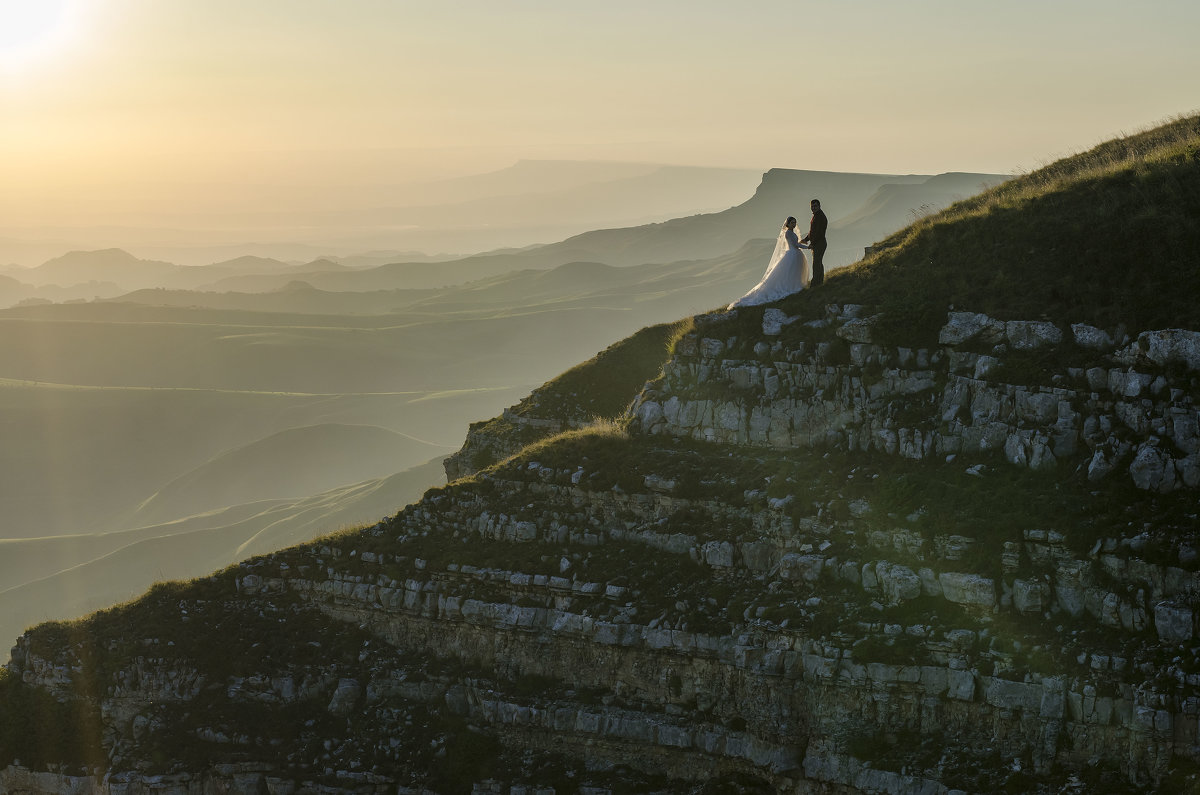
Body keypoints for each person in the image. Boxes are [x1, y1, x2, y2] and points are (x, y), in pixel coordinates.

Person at [728, 216, 810, 308]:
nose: (794, 224)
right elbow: (795, 245)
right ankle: (792, 287)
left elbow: (796, 242)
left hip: (795, 254)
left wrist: (802, 242)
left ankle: (795, 286)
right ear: (788, 224)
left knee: (793, 273)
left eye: (795, 222)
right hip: (792, 254)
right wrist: (807, 247)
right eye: (792, 223)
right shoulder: (788, 233)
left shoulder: (791, 232)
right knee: (789, 273)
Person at [800, 198, 828, 287]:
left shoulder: (820, 216)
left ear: (819, 206)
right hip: (818, 243)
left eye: (815, 206)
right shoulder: (816, 215)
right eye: (812, 206)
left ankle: (815, 284)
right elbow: (812, 231)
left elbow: (819, 232)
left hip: (819, 243)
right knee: (818, 262)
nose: (813, 208)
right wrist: (806, 239)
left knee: (816, 263)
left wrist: (812, 243)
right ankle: (819, 282)